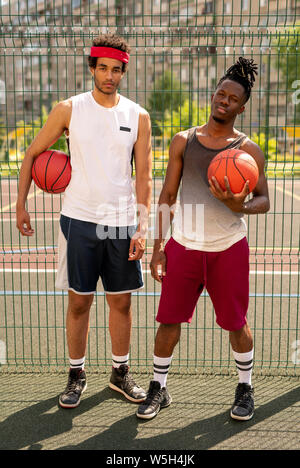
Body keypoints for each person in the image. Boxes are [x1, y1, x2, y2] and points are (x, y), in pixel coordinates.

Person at [16, 33, 152, 408]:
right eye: (103, 68)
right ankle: (76, 375)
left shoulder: (138, 115)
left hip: (122, 222)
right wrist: (21, 204)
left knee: (121, 303)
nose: (109, 75)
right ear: (92, 68)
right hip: (79, 220)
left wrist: (143, 226)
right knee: (80, 303)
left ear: (124, 71)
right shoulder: (68, 109)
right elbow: (32, 154)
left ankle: (119, 373)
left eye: (116, 70)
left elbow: (144, 176)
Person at [136, 57, 270, 421]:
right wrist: (159, 248)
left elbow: (264, 200)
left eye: (232, 99)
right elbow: (166, 195)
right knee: (168, 322)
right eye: (220, 94)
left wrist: (236, 204)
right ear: (213, 95)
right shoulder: (184, 140)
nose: (223, 101)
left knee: (236, 324)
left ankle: (245, 387)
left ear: (242, 107)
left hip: (228, 248)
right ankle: (158, 387)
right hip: (184, 246)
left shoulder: (248, 150)